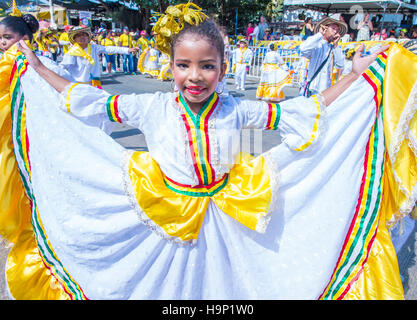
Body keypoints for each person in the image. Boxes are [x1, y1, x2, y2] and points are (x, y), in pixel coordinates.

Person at [2, 1, 415, 300]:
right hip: (162, 211)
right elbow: (84, 102)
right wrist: (38, 70)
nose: (194, 76)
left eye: (207, 66)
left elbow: (304, 111)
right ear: (170, 66)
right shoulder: (150, 105)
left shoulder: (238, 107)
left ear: (222, 67)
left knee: (221, 283)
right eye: (183, 65)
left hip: (224, 213)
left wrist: (356, 79)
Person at [61, 26, 138, 88]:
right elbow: (63, 67)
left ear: (88, 37)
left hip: (94, 83)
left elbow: (108, 49)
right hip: (78, 85)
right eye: (79, 36)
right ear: (75, 39)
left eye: (84, 35)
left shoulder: (94, 48)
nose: (82, 37)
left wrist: (128, 50)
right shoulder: (72, 52)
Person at [300, 16, 346, 97]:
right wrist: (320, 34)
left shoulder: (334, 49)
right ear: (325, 28)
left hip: (326, 90)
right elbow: (303, 49)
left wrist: (335, 45)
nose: (335, 32)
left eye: (337, 30)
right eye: (333, 28)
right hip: (313, 88)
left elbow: (340, 64)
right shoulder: (317, 44)